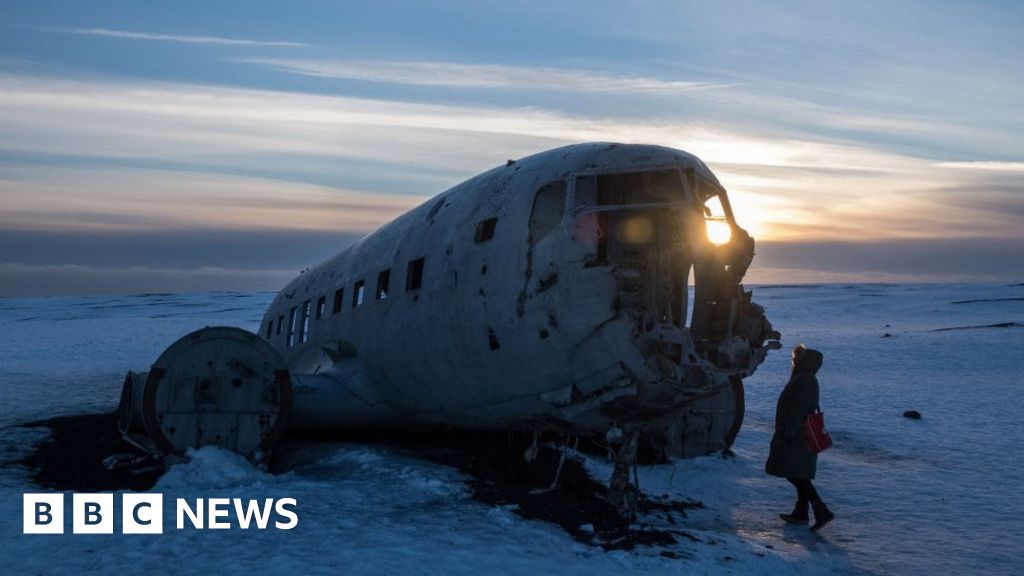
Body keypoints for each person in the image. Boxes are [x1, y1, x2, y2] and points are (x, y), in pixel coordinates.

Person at [765, 344, 834, 531]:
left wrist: (789, 431)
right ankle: (802, 511)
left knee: (796, 475)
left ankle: (820, 510)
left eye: (796, 359)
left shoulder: (804, 379)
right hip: (798, 434)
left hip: (797, 436)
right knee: (798, 473)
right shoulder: (806, 378)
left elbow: (799, 409)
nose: (793, 361)